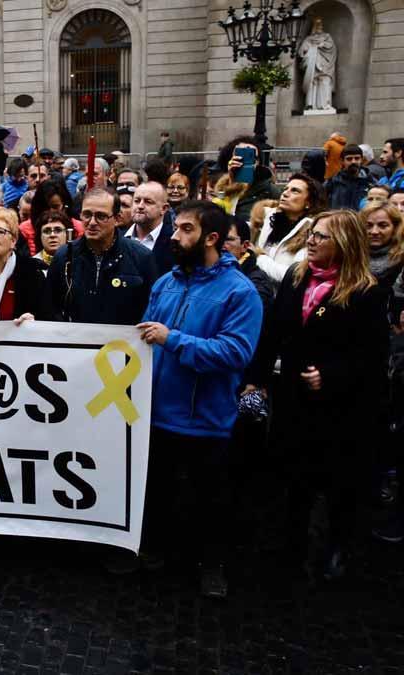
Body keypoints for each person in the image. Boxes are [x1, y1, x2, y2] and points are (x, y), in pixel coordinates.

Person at [124, 201, 262, 597]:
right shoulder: (165, 282)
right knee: (160, 491)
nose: (175, 237)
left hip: (206, 417)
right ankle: (154, 550)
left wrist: (174, 339)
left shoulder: (240, 292)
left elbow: (236, 352)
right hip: (157, 414)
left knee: (209, 499)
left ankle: (211, 564)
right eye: (176, 228)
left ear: (211, 238)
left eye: (185, 229)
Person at [249, 210, 386, 582]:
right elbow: (274, 331)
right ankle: (292, 544)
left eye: (321, 237)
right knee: (294, 473)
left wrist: (331, 375)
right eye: (311, 235)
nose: (311, 241)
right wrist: (256, 377)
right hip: (293, 394)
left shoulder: (366, 292)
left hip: (341, 406)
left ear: (343, 243)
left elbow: (372, 355)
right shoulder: (297, 277)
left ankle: (336, 546)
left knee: (338, 479)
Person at [48, 187, 159, 324]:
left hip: (124, 343)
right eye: (87, 215)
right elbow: (50, 308)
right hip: (75, 341)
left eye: (101, 216)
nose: (92, 222)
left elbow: (152, 310)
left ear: (117, 218)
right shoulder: (65, 256)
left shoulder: (141, 257)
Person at [255, 173, 327, 283]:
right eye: (285, 189)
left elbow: (293, 275)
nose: (285, 193)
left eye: (295, 191)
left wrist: (259, 257)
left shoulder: (312, 234)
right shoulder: (267, 219)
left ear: (308, 202)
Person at [218, 136, 282, 222]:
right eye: (240, 157)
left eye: (254, 158)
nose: (247, 162)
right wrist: (232, 180)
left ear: (258, 163)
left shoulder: (268, 190)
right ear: (230, 159)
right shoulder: (218, 187)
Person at [19, 179, 81, 256]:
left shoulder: (79, 228)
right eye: (45, 207)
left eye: (55, 207)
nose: (50, 212)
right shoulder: (24, 229)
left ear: (65, 205)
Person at [127, 182, 176, 275]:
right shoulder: (116, 238)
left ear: (164, 209)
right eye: (137, 201)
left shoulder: (175, 244)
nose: (140, 206)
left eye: (148, 202)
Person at [324, 146, 372, 211]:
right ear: (342, 161)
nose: (353, 162)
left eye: (357, 158)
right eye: (349, 159)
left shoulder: (370, 183)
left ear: (361, 159)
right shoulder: (332, 183)